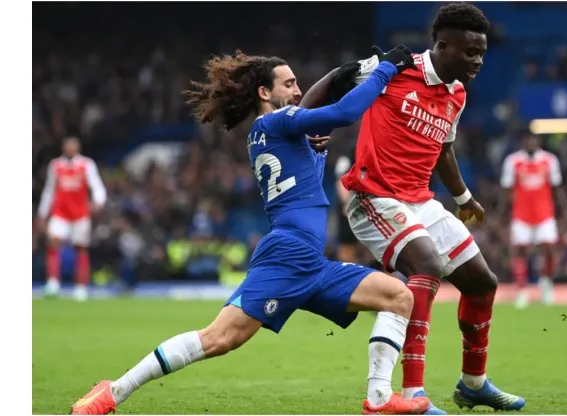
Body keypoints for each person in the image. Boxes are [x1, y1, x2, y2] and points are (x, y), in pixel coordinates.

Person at [70, 47, 431, 415]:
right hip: (288, 255)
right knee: (220, 338)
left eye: (297, 84)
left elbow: (322, 101)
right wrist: (385, 70)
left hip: (312, 263)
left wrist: (354, 70)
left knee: (398, 297)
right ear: (263, 92)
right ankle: (112, 392)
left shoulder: (279, 130)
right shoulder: (278, 122)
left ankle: (380, 399)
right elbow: (344, 112)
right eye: (288, 84)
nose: (295, 90)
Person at [301, 3, 525, 414]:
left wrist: (462, 198)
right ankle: (414, 393)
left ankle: (473, 384)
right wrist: (306, 124)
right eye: (469, 52)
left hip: (421, 202)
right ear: (442, 45)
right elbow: (336, 79)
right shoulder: (394, 68)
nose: (477, 62)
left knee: (483, 282)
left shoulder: (456, 93)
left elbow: (443, 147)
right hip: (373, 197)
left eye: (482, 54)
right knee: (425, 265)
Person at [501, 131, 567, 309]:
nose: (531, 142)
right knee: (519, 251)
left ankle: (546, 283)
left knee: (549, 249)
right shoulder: (512, 161)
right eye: (528, 139)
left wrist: (565, 211)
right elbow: (507, 191)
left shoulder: (549, 160)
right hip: (521, 214)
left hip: (544, 213)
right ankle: (522, 290)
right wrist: (502, 213)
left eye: (534, 140)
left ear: (538, 141)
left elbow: (556, 188)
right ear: (523, 141)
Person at [36, 136, 107, 302]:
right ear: (63, 148)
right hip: (60, 212)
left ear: (78, 148)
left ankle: (80, 287)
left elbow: (96, 185)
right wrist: (42, 213)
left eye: (73, 146)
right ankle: (53, 283)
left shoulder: (86, 164)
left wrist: (99, 201)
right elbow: (49, 190)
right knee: (53, 244)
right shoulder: (56, 166)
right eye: (67, 146)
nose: (70, 149)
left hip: (80, 213)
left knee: (80, 248)